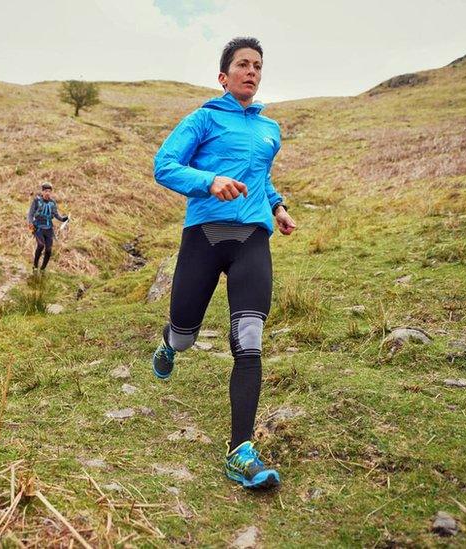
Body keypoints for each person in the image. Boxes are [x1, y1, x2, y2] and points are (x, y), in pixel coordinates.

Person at [151, 37, 297, 490]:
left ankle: (240, 451)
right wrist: (209, 181)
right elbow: (164, 165)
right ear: (223, 76)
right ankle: (170, 343)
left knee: (249, 337)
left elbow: (261, 175)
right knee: (187, 333)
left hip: (252, 237)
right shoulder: (203, 119)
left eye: (257, 65)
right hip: (204, 236)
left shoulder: (269, 127)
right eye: (242, 65)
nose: (251, 71)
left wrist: (276, 206)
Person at [26, 182, 69, 272]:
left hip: (49, 229)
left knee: (49, 250)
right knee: (41, 245)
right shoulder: (36, 201)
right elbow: (30, 213)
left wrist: (63, 219)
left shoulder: (52, 203)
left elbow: (56, 215)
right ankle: (35, 265)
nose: (47, 193)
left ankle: (42, 269)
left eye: (49, 191)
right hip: (38, 227)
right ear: (42, 191)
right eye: (45, 191)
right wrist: (30, 223)